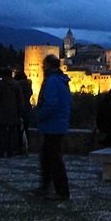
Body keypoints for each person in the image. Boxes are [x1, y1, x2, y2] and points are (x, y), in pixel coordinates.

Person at [33, 54, 72, 200]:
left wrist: (40, 116)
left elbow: (50, 103)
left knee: (54, 159)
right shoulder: (62, 81)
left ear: (49, 65)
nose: (42, 68)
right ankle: (45, 186)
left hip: (52, 124)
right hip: (59, 122)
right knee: (47, 158)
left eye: (44, 65)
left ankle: (62, 191)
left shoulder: (52, 81)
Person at [0, 69, 24, 158]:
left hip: (1, 111)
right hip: (13, 112)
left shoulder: (0, 84)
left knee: (1, 132)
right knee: (12, 132)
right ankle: (10, 151)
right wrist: (20, 111)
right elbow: (20, 100)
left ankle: (0, 152)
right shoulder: (16, 85)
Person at [14, 70, 33, 156]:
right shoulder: (29, 86)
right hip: (28, 109)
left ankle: (20, 148)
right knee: (26, 129)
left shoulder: (17, 86)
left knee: (19, 130)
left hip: (19, 109)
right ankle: (27, 147)